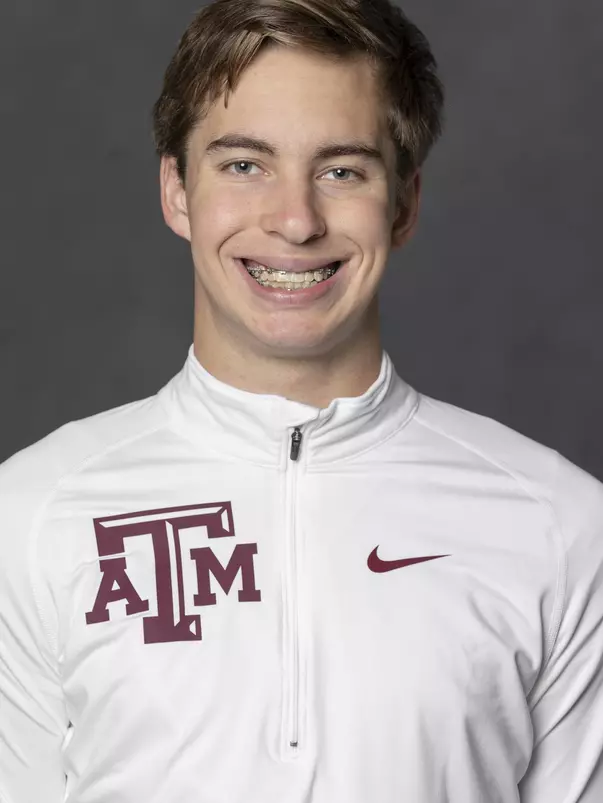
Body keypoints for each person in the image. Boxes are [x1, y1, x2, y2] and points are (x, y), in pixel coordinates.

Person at [1, 0, 602, 800]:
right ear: (177, 191)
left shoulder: (560, 525)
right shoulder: (31, 515)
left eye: (341, 170)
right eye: (243, 165)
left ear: (403, 202)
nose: (294, 221)